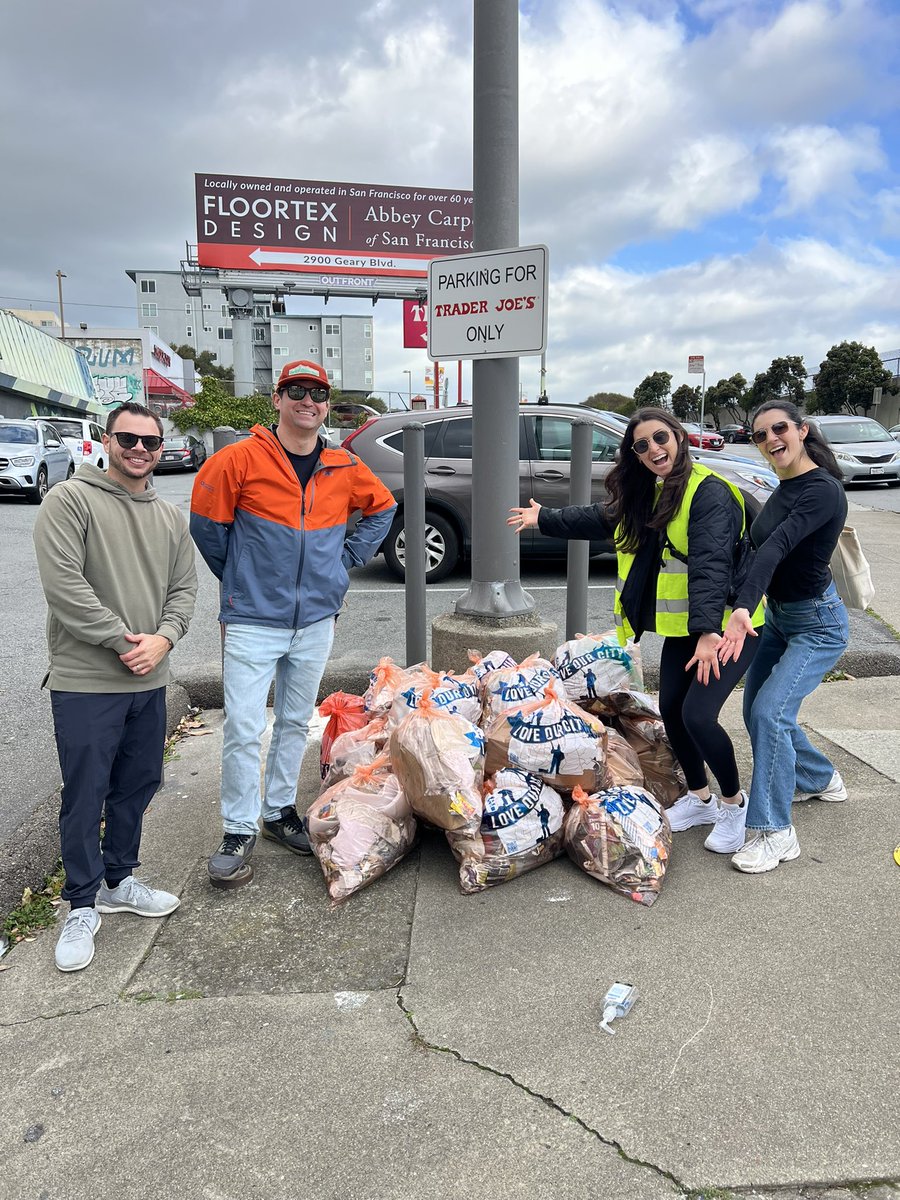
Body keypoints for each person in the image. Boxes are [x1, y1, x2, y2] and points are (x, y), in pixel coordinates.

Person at [508, 407, 763, 853]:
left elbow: (712, 565)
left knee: (698, 716)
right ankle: (700, 800)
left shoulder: (709, 492)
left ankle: (733, 806)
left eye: (660, 438)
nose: (653, 450)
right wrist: (544, 517)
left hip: (728, 628)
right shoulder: (651, 491)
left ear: (678, 437)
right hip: (688, 628)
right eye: (641, 445)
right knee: (672, 710)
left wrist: (708, 632)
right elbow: (600, 517)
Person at [190, 359, 396, 888]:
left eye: (318, 393)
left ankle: (279, 811)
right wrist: (243, 578)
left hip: (316, 620)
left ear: (327, 404)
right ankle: (238, 828)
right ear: (277, 399)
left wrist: (344, 560)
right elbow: (207, 528)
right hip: (253, 620)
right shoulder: (238, 459)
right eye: (297, 391)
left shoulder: (342, 463)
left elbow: (382, 507)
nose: (309, 401)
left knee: (294, 721)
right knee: (242, 726)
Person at [33, 402, 197, 973]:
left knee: (138, 782)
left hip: (149, 676)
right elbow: (64, 586)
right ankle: (81, 904)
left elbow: (184, 590)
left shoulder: (170, 517)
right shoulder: (70, 500)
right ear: (106, 441)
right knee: (85, 792)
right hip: (86, 680)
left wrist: (165, 639)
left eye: (150, 442)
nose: (139, 450)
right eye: (128, 438)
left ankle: (118, 880)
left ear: (160, 449)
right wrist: (123, 641)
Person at [717, 400, 849, 874]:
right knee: (757, 711)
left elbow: (776, 546)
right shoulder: (784, 486)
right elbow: (756, 545)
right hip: (779, 617)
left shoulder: (823, 490)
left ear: (801, 430)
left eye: (779, 429)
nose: (771, 439)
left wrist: (742, 608)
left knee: (770, 713)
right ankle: (819, 777)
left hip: (818, 623)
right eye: (760, 435)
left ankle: (775, 832)